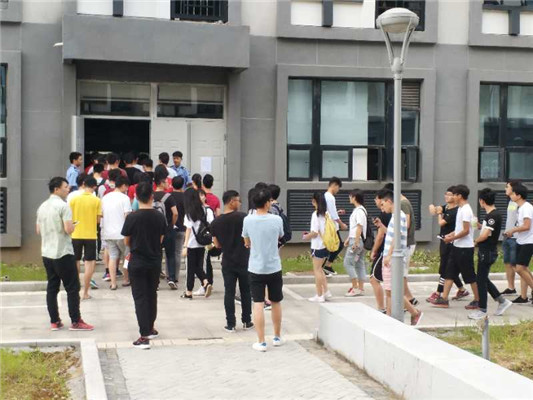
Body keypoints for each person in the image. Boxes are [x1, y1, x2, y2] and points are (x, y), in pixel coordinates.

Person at [36, 177, 94, 331]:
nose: (68, 189)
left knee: (52, 287)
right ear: (57, 189)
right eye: (66, 187)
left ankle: (54, 321)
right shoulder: (63, 206)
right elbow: (68, 229)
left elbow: (38, 230)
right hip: (63, 252)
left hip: (47, 252)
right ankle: (76, 321)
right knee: (72, 287)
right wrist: (73, 226)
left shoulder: (42, 207)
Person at [121, 182, 167, 349]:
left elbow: (126, 240)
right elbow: (161, 238)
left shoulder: (132, 217)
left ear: (136, 197)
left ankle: (144, 336)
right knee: (151, 294)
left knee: (140, 297)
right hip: (154, 260)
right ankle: (150, 327)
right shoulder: (159, 216)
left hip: (137, 261)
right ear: (152, 197)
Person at [242, 189, 285, 352]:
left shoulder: (248, 220)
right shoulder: (277, 219)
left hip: (256, 267)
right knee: (276, 301)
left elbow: (246, 240)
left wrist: (250, 242)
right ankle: (277, 337)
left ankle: (261, 341)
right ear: (267, 203)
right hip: (274, 266)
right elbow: (280, 236)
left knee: (258, 303)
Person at [211, 190, 253, 332]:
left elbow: (217, 245)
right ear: (231, 201)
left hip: (228, 261)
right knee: (245, 291)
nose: (239, 203)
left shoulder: (216, 222)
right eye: (238, 201)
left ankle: (230, 324)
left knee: (229, 292)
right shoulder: (244, 218)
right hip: (244, 260)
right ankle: (247, 320)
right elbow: (249, 238)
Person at [379, 189, 423, 326]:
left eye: (382, 204)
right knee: (390, 291)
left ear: (389, 201)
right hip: (391, 257)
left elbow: (396, 237)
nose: (382, 208)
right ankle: (390, 318)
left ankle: (414, 313)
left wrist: (389, 255)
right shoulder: (396, 216)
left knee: (393, 291)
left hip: (393, 258)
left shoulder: (398, 215)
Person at [432, 185, 480, 309]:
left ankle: (478, 299)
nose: (452, 197)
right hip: (456, 246)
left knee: (469, 275)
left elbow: (466, 231)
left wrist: (451, 238)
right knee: (449, 272)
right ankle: (444, 299)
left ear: (460, 196)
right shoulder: (461, 209)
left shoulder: (466, 210)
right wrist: (451, 235)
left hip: (465, 248)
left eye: (454, 195)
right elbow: (459, 229)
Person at [468, 189, 513, 319]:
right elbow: (487, 230)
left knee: (480, 281)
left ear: (482, 201)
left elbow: (485, 235)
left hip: (487, 251)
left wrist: (475, 241)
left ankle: (482, 310)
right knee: (482, 278)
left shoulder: (492, 216)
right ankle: (502, 301)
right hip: (488, 250)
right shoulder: (493, 215)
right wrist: (479, 225)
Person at [427, 187, 468, 303]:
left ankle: (438, 293)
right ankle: (462, 289)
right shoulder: (447, 207)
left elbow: (441, 222)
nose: (447, 196)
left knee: (445, 268)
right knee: (450, 268)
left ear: (456, 196)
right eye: (446, 194)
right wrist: (433, 207)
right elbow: (433, 210)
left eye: (450, 195)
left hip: (451, 241)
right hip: (443, 240)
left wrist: (439, 213)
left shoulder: (455, 211)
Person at [383, 183, 417, 305]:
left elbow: (405, 226)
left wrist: (389, 254)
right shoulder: (401, 205)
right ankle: (409, 300)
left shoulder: (402, 204)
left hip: (404, 245)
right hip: (402, 245)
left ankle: (409, 303)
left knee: (399, 278)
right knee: (397, 281)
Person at [70, 176, 102, 300]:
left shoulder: (74, 199)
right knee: (89, 263)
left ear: (84, 185)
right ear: (94, 187)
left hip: (76, 234)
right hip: (90, 235)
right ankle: (85, 292)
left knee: (76, 261)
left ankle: (76, 289)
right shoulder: (97, 200)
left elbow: (70, 217)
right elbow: (98, 220)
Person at [181, 188, 214, 299]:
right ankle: (205, 282)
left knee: (191, 268)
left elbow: (188, 229)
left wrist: (185, 245)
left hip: (191, 244)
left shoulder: (189, 213)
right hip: (202, 242)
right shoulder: (203, 210)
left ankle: (189, 291)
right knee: (198, 266)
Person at [101, 176, 132, 290]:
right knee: (126, 257)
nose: (127, 189)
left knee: (113, 257)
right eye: (126, 187)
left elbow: (102, 214)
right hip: (122, 233)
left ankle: (113, 283)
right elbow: (127, 216)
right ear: (123, 185)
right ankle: (126, 279)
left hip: (108, 233)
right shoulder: (125, 198)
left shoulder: (105, 197)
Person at [505, 184, 533, 305]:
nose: (510, 196)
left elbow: (527, 226)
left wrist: (513, 230)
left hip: (528, 241)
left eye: (512, 194)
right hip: (522, 240)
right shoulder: (521, 208)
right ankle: (524, 296)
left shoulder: (526, 208)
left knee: (520, 268)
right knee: (523, 269)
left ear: (518, 195)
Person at [302, 192, 331, 303]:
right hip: (325, 244)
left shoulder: (316, 214)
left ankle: (319, 295)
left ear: (314, 201)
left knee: (317, 270)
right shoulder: (326, 214)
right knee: (320, 269)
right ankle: (326, 292)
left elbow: (315, 232)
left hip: (317, 245)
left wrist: (306, 237)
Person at [154, 167, 179, 289]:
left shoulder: (151, 195)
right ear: (161, 182)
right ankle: (171, 278)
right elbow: (175, 213)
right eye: (166, 181)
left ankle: (156, 281)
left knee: (157, 255)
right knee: (170, 255)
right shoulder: (169, 197)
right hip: (168, 230)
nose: (168, 183)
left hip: (155, 231)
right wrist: (171, 224)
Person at [343, 190, 368, 297]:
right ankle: (360, 288)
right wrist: (349, 238)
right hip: (357, 239)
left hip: (357, 241)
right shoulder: (359, 210)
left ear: (354, 197)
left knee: (347, 263)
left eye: (350, 196)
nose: (349, 198)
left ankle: (355, 287)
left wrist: (355, 242)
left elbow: (359, 227)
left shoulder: (359, 211)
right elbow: (355, 228)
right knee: (359, 263)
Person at [368, 193, 389, 313]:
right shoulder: (393, 215)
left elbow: (381, 235)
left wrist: (374, 250)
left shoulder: (385, 215)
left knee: (374, 279)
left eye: (376, 199)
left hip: (384, 251)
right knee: (390, 284)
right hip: (388, 251)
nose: (375, 201)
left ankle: (382, 308)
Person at [323, 177, 347, 276]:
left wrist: (337, 212)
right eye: (338, 188)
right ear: (334, 185)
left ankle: (326, 266)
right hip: (332, 226)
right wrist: (342, 224)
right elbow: (333, 214)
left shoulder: (325, 195)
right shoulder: (330, 197)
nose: (338, 190)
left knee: (332, 246)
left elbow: (329, 212)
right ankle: (327, 266)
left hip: (329, 225)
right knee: (338, 245)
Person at [501, 180, 521, 295]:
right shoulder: (510, 201)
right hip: (507, 236)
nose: (505, 189)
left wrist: (514, 231)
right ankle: (511, 288)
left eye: (507, 187)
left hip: (516, 238)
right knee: (507, 263)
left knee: (518, 266)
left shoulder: (520, 203)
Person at [198, 189, 217, 293]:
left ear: (205, 197)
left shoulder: (208, 210)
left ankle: (206, 285)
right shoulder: (198, 209)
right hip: (201, 240)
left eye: (202, 195)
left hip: (206, 239)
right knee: (205, 262)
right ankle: (207, 283)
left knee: (205, 262)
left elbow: (210, 225)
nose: (200, 197)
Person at [170, 176, 186, 285]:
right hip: (182, 227)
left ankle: (169, 275)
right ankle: (176, 277)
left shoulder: (168, 196)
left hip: (170, 227)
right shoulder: (185, 197)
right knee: (178, 253)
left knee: (169, 252)